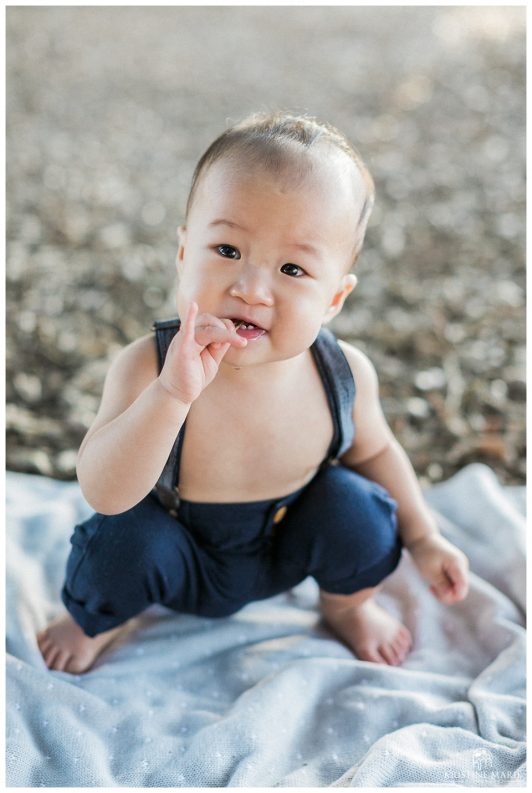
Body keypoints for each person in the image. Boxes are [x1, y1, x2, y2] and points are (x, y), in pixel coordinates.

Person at [37, 111, 469, 674]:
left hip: (282, 548)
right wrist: (170, 396)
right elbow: (104, 492)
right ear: (184, 253)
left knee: (361, 513)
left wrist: (424, 536)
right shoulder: (149, 364)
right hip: (175, 549)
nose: (251, 289)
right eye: (227, 251)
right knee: (118, 547)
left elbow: (376, 453)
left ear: (335, 299)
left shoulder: (341, 373)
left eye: (292, 268)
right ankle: (100, 617)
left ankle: (346, 607)